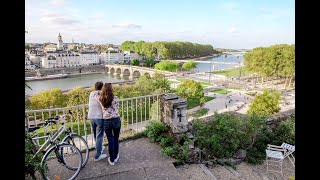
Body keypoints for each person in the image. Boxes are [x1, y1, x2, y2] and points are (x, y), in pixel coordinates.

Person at [98, 83, 121, 166]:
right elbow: (117, 107)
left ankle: (111, 159)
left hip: (106, 121)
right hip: (116, 119)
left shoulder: (100, 99)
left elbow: (97, 95)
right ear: (111, 90)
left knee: (110, 140)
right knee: (116, 138)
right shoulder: (116, 98)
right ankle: (116, 156)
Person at [88, 81, 107, 161]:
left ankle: (99, 148)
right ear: (102, 87)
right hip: (99, 117)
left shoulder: (91, 93)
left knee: (96, 135)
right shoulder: (101, 94)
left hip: (91, 116)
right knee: (100, 136)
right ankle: (97, 156)